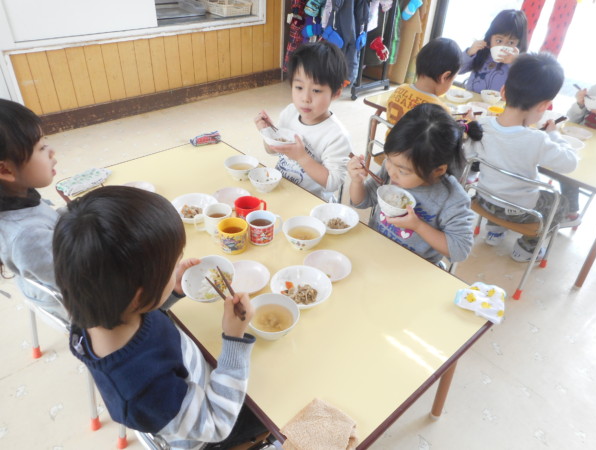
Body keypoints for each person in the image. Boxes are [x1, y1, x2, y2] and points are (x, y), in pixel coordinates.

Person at [52, 186, 265, 448]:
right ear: (139, 295)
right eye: (172, 266)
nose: (176, 269)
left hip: (197, 374)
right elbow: (216, 422)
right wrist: (234, 340)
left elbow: (148, 314)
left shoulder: (97, 305)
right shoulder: (142, 392)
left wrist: (171, 291)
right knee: (270, 416)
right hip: (205, 431)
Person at [463, 53, 578, 262]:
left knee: (501, 184)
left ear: (503, 91)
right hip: (518, 211)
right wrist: (554, 134)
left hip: (483, 200)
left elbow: (468, 154)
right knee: (560, 202)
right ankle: (526, 248)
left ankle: (494, 231)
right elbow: (570, 163)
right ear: (544, 106)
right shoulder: (537, 139)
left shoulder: (482, 126)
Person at [348, 103, 483, 267]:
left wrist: (417, 226)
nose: (391, 172)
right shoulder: (393, 168)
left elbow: (460, 250)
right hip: (375, 250)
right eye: (388, 159)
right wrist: (357, 181)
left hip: (413, 267)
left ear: (437, 170)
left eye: (403, 171)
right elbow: (361, 201)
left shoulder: (452, 199)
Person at [254, 41, 351, 202]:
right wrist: (268, 132)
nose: (305, 98)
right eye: (299, 87)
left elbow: (333, 183)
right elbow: (273, 151)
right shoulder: (290, 112)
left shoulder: (336, 136)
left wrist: (302, 157)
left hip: (312, 202)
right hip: (282, 190)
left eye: (316, 90)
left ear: (336, 93)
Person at [0, 99, 67, 323]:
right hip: (81, 308)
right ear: (5, 170)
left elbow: (50, 223)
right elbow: (83, 279)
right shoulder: (26, 237)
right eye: (41, 147)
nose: (51, 150)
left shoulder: (17, 196)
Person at [385, 37, 461, 127]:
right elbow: (452, 135)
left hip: (391, 136)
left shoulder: (400, 89)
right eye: (453, 79)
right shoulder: (441, 110)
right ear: (444, 77)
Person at [459, 9, 528, 94]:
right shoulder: (481, 52)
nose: (503, 46)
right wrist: (469, 53)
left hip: (498, 103)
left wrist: (514, 63)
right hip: (471, 100)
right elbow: (458, 70)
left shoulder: (520, 64)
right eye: (499, 41)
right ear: (490, 37)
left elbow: (524, 89)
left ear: (519, 43)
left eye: (511, 43)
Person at [561, 82, 596, 226]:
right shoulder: (595, 92)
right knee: (566, 168)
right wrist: (580, 104)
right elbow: (571, 121)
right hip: (581, 148)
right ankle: (571, 214)